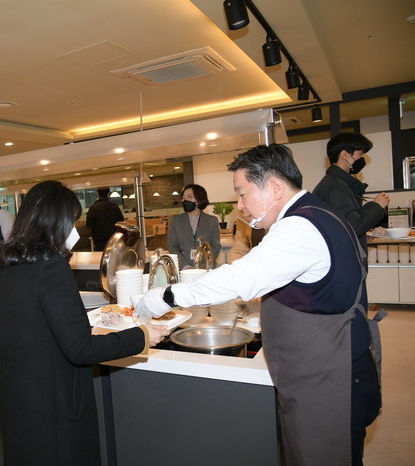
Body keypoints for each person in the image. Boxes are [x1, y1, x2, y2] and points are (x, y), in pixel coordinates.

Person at [136, 144, 382, 466]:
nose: (240, 205)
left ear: (275, 188)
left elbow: (239, 278)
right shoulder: (315, 213)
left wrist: (164, 296)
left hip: (327, 380)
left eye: (242, 194)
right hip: (321, 371)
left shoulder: (299, 227)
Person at [0, 181, 170, 465]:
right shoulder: (51, 266)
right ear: (57, 221)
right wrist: (143, 335)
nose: (74, 229)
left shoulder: (6, 264)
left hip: (19, 399)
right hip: (56, 404)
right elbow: (80, 349)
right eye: (72, 220)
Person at [312, 132, 390, 253]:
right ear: (344, 154)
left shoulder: (336, 182)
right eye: (359, 154)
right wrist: (377, 205)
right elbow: (351, 226)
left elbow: (341, 225)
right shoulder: (335, 186)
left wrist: (362, 236)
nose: (361, 159)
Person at [167, 184, 221, 269]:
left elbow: (215, 246)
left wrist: (203, 263)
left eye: (190, 197)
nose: (185, 200)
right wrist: (185, 266)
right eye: (184, 197)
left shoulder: (212, 221)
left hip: (206, 268)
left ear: (199, 199)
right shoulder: (175, 220)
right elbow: (172, 246)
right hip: (184, 270)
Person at [85, 187, 124, 251]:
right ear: (108, 194)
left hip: (99, 241)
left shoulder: (93, 207)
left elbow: (89, 225)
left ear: (97, 194)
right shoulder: (115, 206)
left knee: (100, 255)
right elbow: (121, 221)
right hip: (114, 239)